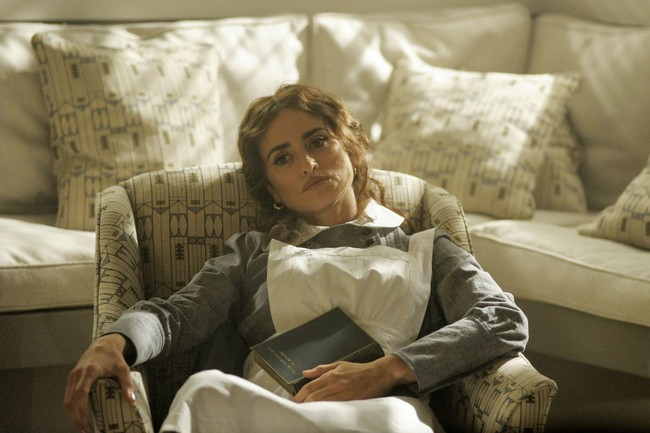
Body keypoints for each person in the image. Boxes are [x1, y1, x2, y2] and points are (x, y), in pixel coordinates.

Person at [64, 84, 529, 433]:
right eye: (283, 158)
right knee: (205, 392)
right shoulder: (252, 253)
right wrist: (117, 339)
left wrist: (386, 371)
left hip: (380, 414)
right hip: (268, 414)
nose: (307, 163)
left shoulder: (425, 248)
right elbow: (177, 315)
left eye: (318, 141)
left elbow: (502, 319)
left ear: (351, 148)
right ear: (271, 189)